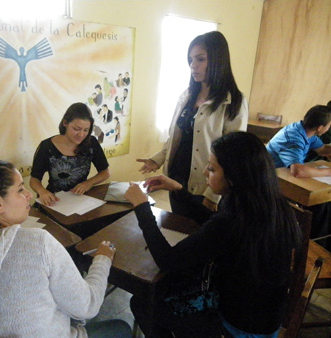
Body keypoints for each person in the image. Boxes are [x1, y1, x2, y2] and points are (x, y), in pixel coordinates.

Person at [125, 132, 302, 338]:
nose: (204, 172)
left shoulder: (233, 218)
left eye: (211, 168)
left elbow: (167, 260)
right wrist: (179, 190)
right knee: (169, 286)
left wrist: (142, 207)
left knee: (143, 302)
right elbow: (215, 223)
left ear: (234, 176)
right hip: (264, 316)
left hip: (238, 327)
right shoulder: (264, 202)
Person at [0, 160, 131, 338]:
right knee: (121, 327)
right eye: (21, 190)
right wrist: (102, 260)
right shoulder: (37, 243)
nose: (29, 195)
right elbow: (87, 307)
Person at [136, 31, 248, 214]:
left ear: (218, 60)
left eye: (200, 59)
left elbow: (234, 157)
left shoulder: (233, 102)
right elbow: (177, 136)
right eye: (191, 60)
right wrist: (157, 159)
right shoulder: (187, 95)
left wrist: (212, 195)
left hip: (205, 186)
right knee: (177, 230)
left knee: (200, 236)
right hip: (176, 180)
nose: (193, 66)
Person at [266, 104, 331, 250]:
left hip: (284, 177)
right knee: (320, 207)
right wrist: (328, 172)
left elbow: (322, 150)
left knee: (324, 205)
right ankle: (314, 247)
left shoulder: (305, 131)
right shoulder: (294, 137)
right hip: (271, 182)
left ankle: (318, 243)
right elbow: (298, 171)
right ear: (320, 127)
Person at [30, 102, 110, 206]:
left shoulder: (91, 143)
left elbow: (105, 172)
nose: (81, 134)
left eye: (86, 130)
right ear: (65, 123)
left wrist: (89, 183)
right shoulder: (47, 147)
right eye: (76, 129)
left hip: (80, 198)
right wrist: (42, 191)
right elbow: (34, 179)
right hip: (54, 199)